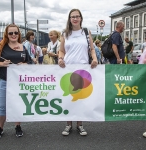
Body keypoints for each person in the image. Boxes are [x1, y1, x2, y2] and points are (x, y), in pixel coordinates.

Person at [58, 8, 98, 136]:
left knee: (80, 97)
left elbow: (92, 49)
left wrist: (95, 59)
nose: (75, 18)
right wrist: (60, 58)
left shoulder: (86, 32)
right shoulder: (65, 34)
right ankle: (68, 124)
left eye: (77, 16)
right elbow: (62, 51)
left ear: (81, 18)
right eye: (72, 17)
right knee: (69, 97)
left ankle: (80, 124)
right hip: (68, 69)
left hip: (83, 68)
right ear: (69, 19)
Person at [0, 24, 31, 138]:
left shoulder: (23, 47)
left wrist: (24, 64)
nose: (13, 35)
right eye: (11, 33)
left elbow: (30, 62)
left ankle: (17, 126)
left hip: (19, 83)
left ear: (19, 34)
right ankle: (0, 127)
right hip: (5, 81)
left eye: (15, 33)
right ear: (7, 34)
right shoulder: (2, 46)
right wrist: (2, 64)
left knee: (18, 105)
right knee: (2, 106)